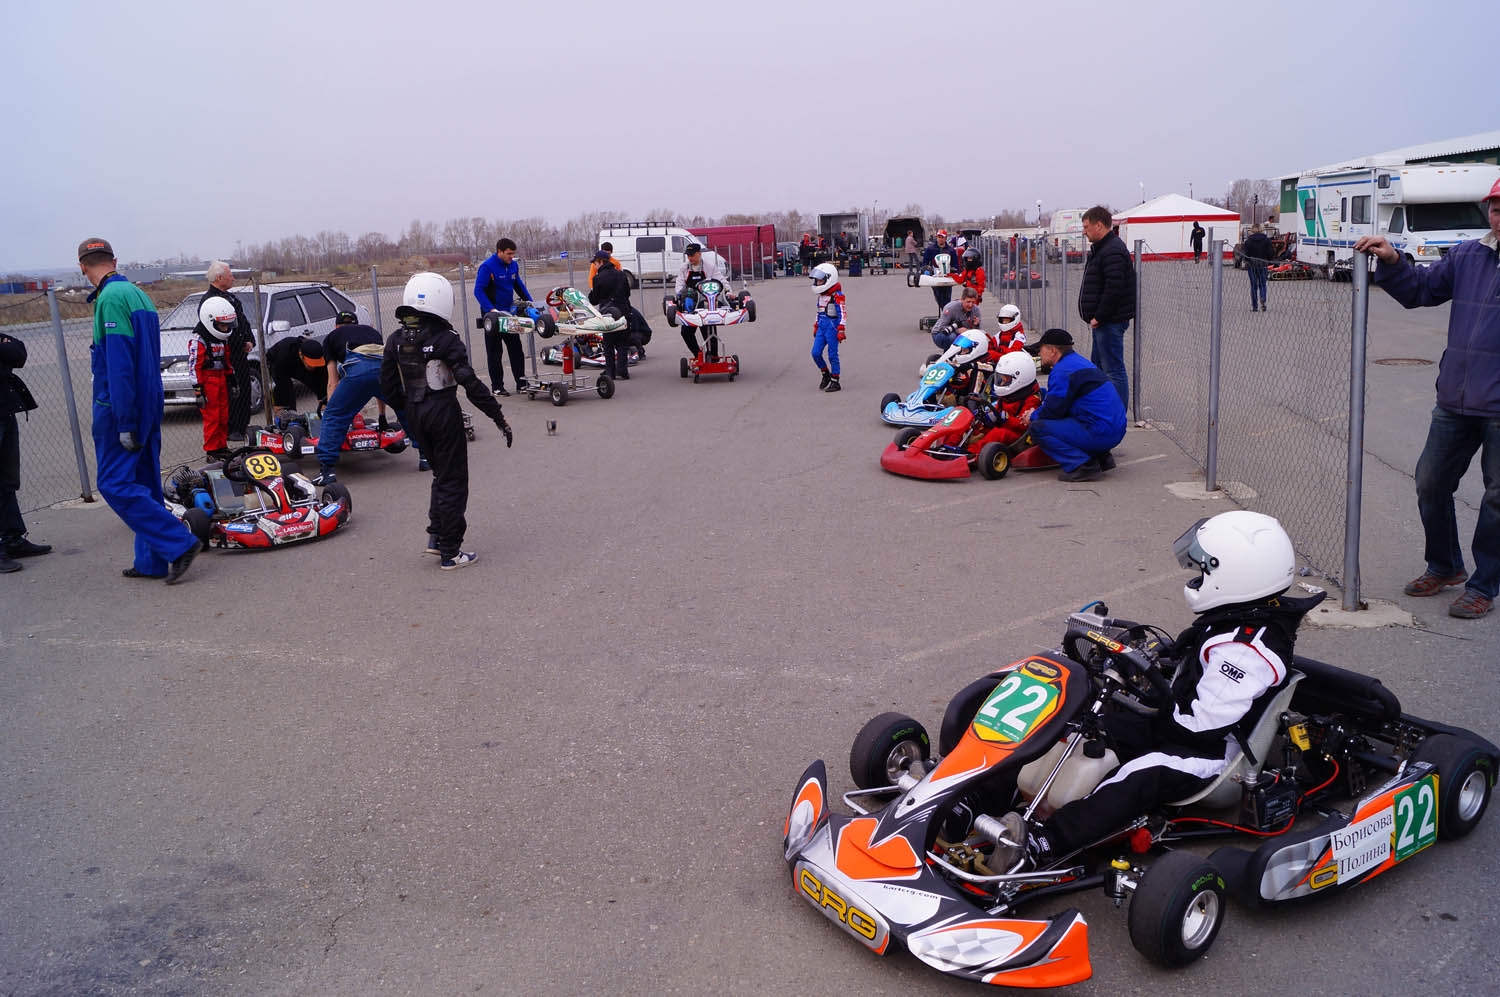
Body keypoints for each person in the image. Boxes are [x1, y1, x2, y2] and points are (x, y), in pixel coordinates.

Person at [995, 512, 1321, 868]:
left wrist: (1147, 696)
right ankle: (981, 797)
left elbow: (1201, 727)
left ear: (1237, 574)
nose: (1197, 578)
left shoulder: (1247, 651)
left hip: (1214, 756)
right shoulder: (1239, 616)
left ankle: (1044, 844)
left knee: (1142, 773)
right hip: (1178, 723)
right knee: (1077, 728)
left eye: (1204, 571)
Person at [1354, 178, 1500, 620]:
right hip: (1456, 399)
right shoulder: (1469, 256)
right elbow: (1420, 290)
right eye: (1496, 209)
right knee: (1430, 483)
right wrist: (1393, 259)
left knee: (1497, 499)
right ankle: (1445, 565)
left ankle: (1483, 585)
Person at [77, 237, 200, 583]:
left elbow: (119, 366)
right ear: (114, 261)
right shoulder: (138, 294)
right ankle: (151, 562)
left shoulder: (109, 299)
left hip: (121, 406)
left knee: (114, 483)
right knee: (145, 481)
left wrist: (124, 420)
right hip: (150, 399)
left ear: (82, 267)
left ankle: (178, 543)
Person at [380, 272, 513, 570]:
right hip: (442, 412)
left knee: (440, 475)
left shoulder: (395, 339)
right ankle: (451, 552)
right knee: (453, 480)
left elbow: (387, 385)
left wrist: (408, 410)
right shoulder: (446, 339)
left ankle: (436, 536)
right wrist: (497, 416)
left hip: (415, 413)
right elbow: (470, 383)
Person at [1023, 328, 1126, 482]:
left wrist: (1032, 415)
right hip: (1116, 428)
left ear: (1052, 351)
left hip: (1102, 432)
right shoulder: (1078, 362)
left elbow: (1053, 410)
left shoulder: (1062, 370)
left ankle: (1083, 466)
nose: (1039, 353)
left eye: (1041, 349)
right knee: (1075, 413)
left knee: (1038, 427)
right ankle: (1102, 456)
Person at [313, 311, 404, 485]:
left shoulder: (331, 337)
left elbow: (332, 382)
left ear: (336, 326)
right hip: (384, 372)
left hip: (357, 370)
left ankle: (327, 471)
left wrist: (332, 408)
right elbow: (376, 372)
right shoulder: (372, 332)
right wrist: (382, 416)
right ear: (356, 324)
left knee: (334, 416)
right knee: (406, 409)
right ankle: (425, 457)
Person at [1, 330, 50, 573]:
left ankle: (12, 540)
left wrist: (6, 346)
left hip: (4, 412)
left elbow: (18, 353)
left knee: (7, 481)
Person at [1077, 205, 1136, 407]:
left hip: (1109, 322)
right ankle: (1101, 407)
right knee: (1099, 367)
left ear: (1099, 225)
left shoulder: (1112, 251)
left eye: (1086, 227)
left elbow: (1114, 288)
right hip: (1103, 322)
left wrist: (1099, 316)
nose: (1084, 231)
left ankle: (1117, 413)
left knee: (1113, 370)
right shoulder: (1102, 249)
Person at [473, 237, 535, 396]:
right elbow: (478, 291)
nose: (511, 257)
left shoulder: (513, 265)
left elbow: (518, 285)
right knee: (495, 352)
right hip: (493, 316)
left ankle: (521, 384)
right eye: (509, 254)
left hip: (509, 315)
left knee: (516, 349)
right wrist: (491, 309)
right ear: (499, 252)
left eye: (513, 254)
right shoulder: (487, 267)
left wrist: (530, 302)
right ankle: (497, 387)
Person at [204, 261, 255, 441]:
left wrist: (249, 340)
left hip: (240, 355)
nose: (233, 278)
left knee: (245, 390)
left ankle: (243, 426)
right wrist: (239, 343)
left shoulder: (232, 298)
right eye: (230, 275)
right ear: (219, 278)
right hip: (225, 356)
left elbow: (242, 321)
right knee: (232, 392)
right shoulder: (210, 301)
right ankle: (232, 429)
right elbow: (218, 330)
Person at [191, 297, 238, 461]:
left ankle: (221, 447)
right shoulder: (199, 340)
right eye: (222, 325)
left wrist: (232, 379)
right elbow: (194, 366)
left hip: (221, 379)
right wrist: (198, 391)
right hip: (208, 382)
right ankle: (212, 451)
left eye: (226, 325)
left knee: (224, 416)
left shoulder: (222, 339)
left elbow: (226, 360)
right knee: (212, 418)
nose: (225, 328)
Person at [674, 243, 732, 360]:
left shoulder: (709, 266)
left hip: (707, 303)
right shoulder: (684, 268)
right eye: (688, 255)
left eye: (692, 255)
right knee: (686, 332)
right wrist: (681, 294)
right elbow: (679, 284)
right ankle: (698, 355)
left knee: (709, 332)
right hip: (691, 305)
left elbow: (721, 280)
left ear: (699, 254)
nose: (690, 258)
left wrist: (728, 291)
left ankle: (714, 358)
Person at [587, 253, 637, 380]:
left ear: (601, 262)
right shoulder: (621, 274)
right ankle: (622, 370)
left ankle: (610, 371)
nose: (595, 266)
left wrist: (591, 294)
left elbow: (594, 299)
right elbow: (627, 293)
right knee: (622, 342)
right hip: (623, 310)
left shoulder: (598, 278)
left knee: (608, 343)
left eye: (595, 263)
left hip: (607, 313)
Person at [266, 336, 329, 418]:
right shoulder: (283, 355)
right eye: (311, 363)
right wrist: (282, 407)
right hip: (277, 360)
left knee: (320, 385)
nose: (314, 366)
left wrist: (325, 406)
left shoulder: (321, 358)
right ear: (301, 355)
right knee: (285, 389)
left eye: (316, 363)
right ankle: (285, 417)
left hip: (299, 364)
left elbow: (323, 383)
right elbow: (281, 383)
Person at [809, 262, 846, 392]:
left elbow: (842, 313)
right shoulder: (821, 297)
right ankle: (825, 373)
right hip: (821, 327)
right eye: (817, 280)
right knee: (815, 353)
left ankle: (835, 380)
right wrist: (816, 325)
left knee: (832, 355)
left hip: (832, 327)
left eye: (820, 280)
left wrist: (841, 329)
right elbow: (819, 312)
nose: (818, 283)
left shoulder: (837, 296)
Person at [929, 286, 982, 351]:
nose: (970, 305)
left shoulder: (976, 310)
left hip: (962, 334)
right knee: (953, 337)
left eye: (973, 302)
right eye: (968, 302)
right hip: (939, 334)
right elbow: (941, 327)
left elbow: (976, 332)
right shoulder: (951, 308)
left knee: (978, 340)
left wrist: (976, 325)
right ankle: (949, 355)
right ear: (962, 300)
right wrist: (958, 330)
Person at [1242, 225, 1273, 312]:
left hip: (1252, 265)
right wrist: (1269, 260)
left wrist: (1247, 261)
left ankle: (1255, 306)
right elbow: (1270, 253)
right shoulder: (1267, 240)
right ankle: (1263, 298)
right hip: (1263, 265)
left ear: (1252, 230)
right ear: (1262, 229)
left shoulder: (1248, 241)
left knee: (1253, 286)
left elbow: (1246, 255)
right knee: (1263, 284)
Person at [923, 230, 955, 310]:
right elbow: (925, 263)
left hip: (948, 276)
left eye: (942, 237)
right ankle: (944, 311)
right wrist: (926, 270)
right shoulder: (930, 249)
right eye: (939, 237)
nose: (940, 239)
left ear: (946, 238)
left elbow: (955, 264)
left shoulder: (951, 250)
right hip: (935, 277)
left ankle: (946, 312)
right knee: (939, 297)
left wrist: (955, 271)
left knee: (947, 297)